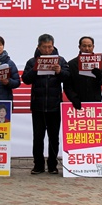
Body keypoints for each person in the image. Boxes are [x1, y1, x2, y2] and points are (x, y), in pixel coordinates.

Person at [21, 34, 69, 175]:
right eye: (44, 47)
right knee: (38, 137)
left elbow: (67, 77)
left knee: (54, 137)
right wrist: (35, 69)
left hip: (55, 105)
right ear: (38, 47)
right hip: (38, 105)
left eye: (50, 47)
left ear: (53, 46)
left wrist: (60, 71)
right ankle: (38, 165)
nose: (47, 50)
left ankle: (53, 165)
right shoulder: (32, 61)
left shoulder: (60, 60)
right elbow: (25, 79)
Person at [63, 36, 102, 110]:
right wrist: (73, 98)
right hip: (77, 102)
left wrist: (99, 75)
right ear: (79, 47)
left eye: (89, 46)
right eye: (84, 46)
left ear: (93, 47)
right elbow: (67, 85)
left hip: (95, 101)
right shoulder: (71, 64)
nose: (87, 49)